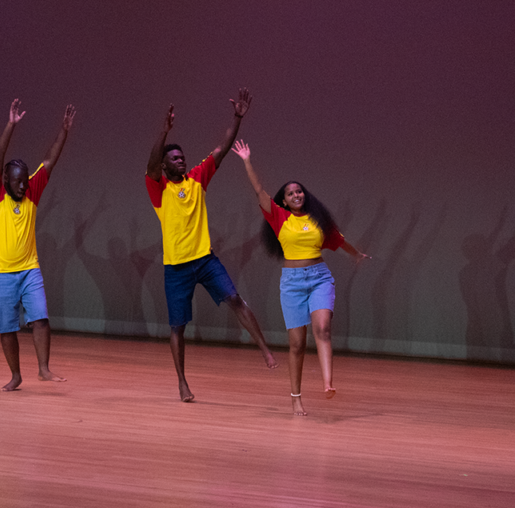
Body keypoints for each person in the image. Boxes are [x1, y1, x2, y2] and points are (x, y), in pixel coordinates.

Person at [145, 89, 278, 403]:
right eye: (175, 158)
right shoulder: (158, 189)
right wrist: (164, 132)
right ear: (165, 166)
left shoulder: (196, 179)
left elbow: (222, 147)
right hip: (176, 268)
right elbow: (150, 165)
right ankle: (181, 382)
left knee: (234, 297)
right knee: (178, 326)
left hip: (205, 260)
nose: (182, 160)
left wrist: (237, 117)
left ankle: (264, 349)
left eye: (182, 157)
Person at [232, 140, 370, 416]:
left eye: (299, 191)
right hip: (292, 283)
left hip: (319, 278)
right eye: (290, 193)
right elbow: (258, 190)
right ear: (283, 200)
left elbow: (339, 241)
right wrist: (247, 159)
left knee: (323, 329)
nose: (296, 194)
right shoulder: (279, 217)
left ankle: (328, 383)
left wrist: (357, 255)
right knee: (297, 344)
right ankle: (295, 398)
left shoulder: (318, 220)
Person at [0, 99, 73, 391]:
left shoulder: (32, 192)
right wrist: (10, 125)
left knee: (41, 319)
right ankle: (15, 375)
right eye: (18, 182)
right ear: (7, 182)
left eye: (25, 181)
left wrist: (63, 131)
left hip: (28, 270)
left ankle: (43, 369)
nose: (24, 186)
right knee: (7, 329)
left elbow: (49, 160)